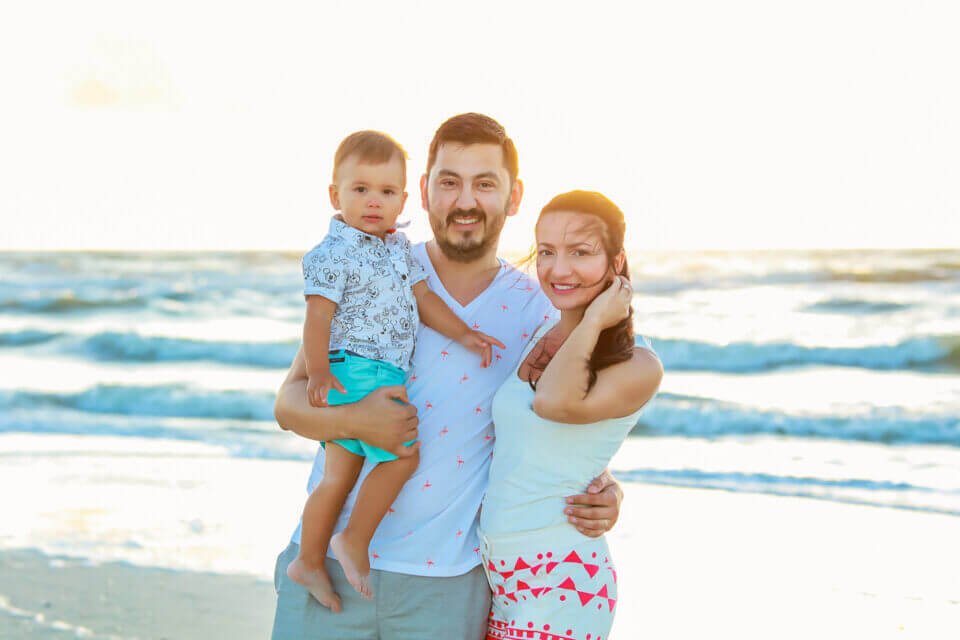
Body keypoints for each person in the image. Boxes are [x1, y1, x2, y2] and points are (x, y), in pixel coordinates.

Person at [271, 114, 625, 639]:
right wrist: (356, 421)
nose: (465, 201)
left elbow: (553, 431)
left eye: (485, 184)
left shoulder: (541, 312)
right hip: (326, 566)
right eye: (449, 182)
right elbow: (289, 405)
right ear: (423, 191)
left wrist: (607, 488)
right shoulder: (374, 269)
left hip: (448, 585)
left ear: (513, 196)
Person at [285, 130, 505, 611]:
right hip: (358, 371)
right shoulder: (333, 253)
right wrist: (318, 373)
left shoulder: (399, 250)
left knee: (338, 477)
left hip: (379, 372)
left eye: (386, 192)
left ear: (404, 200)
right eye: (360, 189)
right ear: (335, 195)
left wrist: (464, 334)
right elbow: (317, 317)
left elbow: (424, 299)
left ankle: (309, 560)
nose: (373, 202)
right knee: (402, 456)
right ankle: (353, 540)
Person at [479, 190, 663, 640]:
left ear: (616, 262)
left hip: (562, 579)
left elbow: (553, 404)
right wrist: (610, 484)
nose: (559, 270)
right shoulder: (538, 331)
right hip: (500, 580)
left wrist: (595, 319)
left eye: (580, 252)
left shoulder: (639, 365)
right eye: (546, 252)